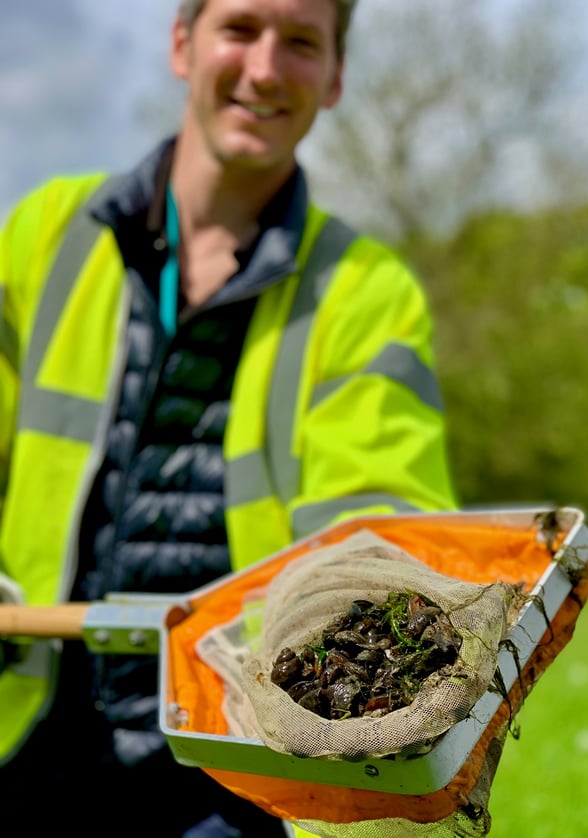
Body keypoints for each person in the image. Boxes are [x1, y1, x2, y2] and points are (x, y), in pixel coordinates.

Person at [0, 0, 457, 834]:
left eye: (301, 42)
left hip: (233, 766)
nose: (265, 68)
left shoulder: (364, 290)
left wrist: (368, 626)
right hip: (30, 738)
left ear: (335, 76)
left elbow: (378, 515)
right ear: (183, 43)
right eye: (241, 28)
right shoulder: (46, 235)